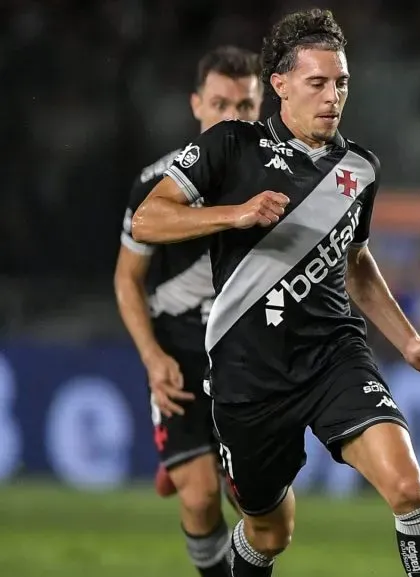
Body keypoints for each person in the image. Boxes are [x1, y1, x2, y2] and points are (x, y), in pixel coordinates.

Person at [130, 9, 420, 577]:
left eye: (341, 83)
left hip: (333, 356)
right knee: (270, 531)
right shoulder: (231, 146)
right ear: (280, 85)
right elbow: (147, 219)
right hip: (248, 374)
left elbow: (355, 262)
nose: (332, 97)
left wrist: (409, 342)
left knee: (409, 489)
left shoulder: (360, 168)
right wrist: (234, 214)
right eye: (317, 83)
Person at [114, 45, 263, 577]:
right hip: (178, 350)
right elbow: (127, 279)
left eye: (244, 106)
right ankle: (193, 465)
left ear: (262, 106)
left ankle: (208, 462)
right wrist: (152, 357)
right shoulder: (158, 184)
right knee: (199, 499)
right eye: (220, 104)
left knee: (261, 511)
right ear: (197, 104)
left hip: (247, 357)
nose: (232, 118)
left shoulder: (282, 177)